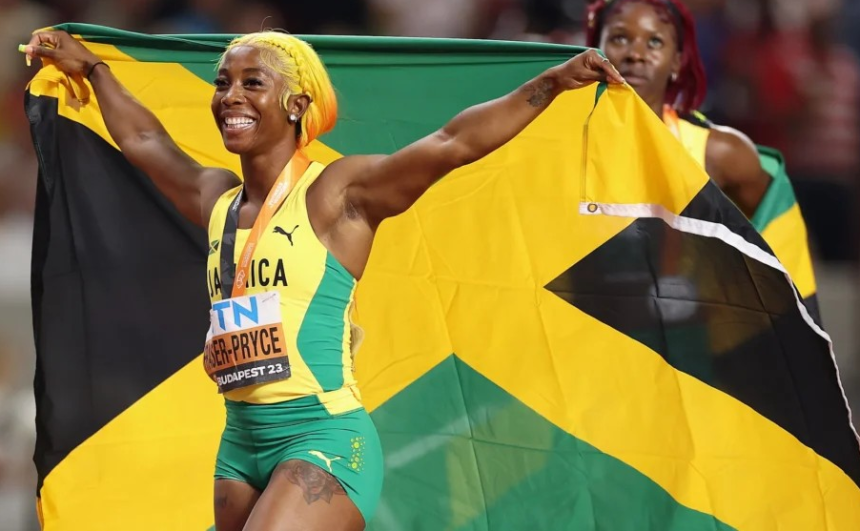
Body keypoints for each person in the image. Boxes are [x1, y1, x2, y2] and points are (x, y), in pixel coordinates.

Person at [22, 29, 624, 531]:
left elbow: (452, 144)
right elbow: (145, 140)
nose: (231, 96)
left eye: (253, 82)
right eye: (223, 83)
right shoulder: (216, 199)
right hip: (239, 444)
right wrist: (93, 69)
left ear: (296, 103)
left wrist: (551, 84)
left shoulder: (336, 195)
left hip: (322, 437)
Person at [585, 0, 770, 219]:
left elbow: (774, 227)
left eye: (654, 42)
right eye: (620, 38)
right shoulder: (563, 138)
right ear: (593, 51)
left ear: (677, 61)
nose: (635, 54)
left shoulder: (720, 153)